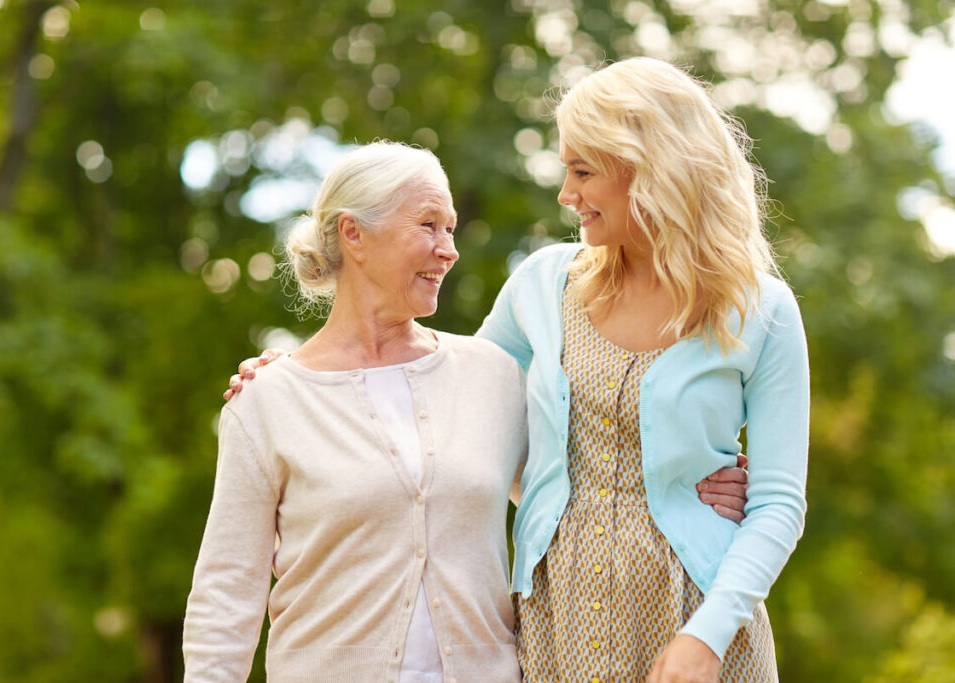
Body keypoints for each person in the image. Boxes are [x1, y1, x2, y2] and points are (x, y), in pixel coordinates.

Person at [231, 58, 806, 683]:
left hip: (699, 625)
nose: (567, 195)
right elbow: (445, 415)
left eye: (582, 171)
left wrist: (707, 636)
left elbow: (779, 504)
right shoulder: (544, 284)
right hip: (559, 623)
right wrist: (302, 372)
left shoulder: (761, 310)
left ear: (649, 169)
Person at [183, 141, 529, 681]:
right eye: (429, 224)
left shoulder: (493, 376)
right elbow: (226, 595)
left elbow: (571, 504)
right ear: (354, 233)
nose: (449, 249)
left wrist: (695, 479)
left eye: (451, 228)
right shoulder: (269, 401)